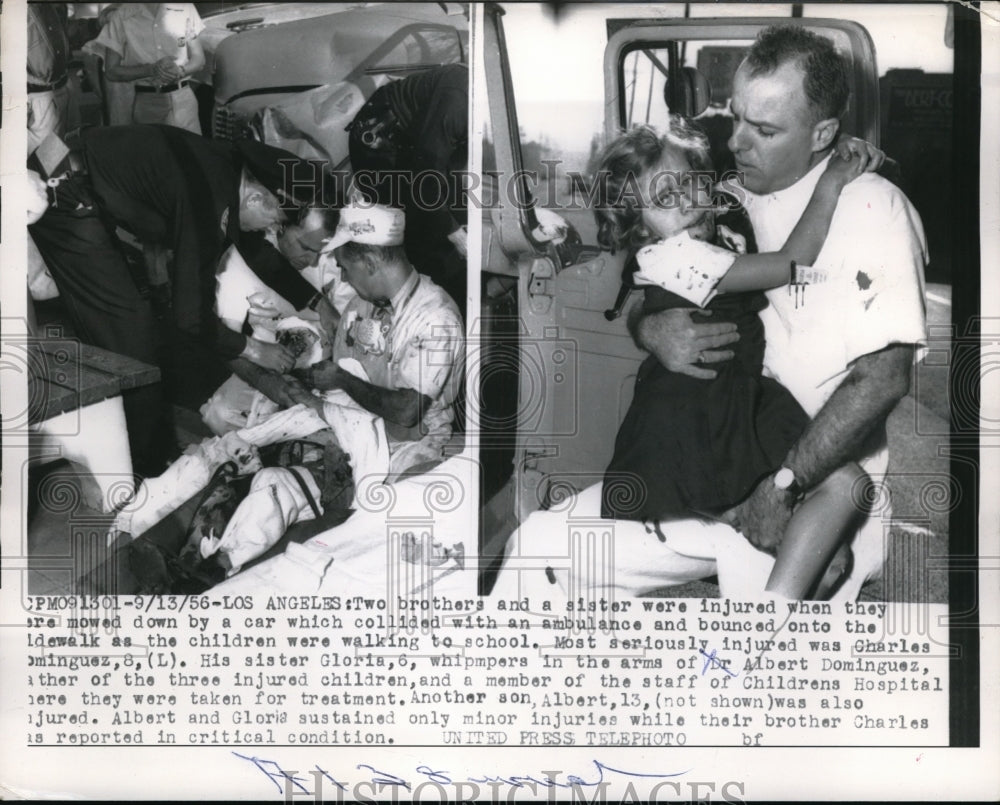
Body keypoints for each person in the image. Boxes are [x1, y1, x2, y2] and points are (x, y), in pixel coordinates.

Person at [492, 25, 927, 602]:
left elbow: (883, 379)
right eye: (736, 116)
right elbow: (654, 275)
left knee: (747, 661)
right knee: (536, 547)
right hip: (724, 445)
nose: (738, 143)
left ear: (823, 133)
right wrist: (651, 329)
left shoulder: (871, 207)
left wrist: (782, 487)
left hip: (807, 476)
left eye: (764, 129)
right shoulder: (733, 195)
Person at [595, 121, 873, 598]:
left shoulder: (715, 223)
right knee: (829, 509)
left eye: (689, 183)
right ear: (640, 226)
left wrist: (830, 156)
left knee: (833, 540)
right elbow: (791, 261)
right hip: (697, 410)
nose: (684, 200)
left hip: (740, 396)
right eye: (664, 200)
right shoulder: (675, 254)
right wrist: (833, 183)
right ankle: (732, 525)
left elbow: (762, 183)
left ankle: (774, 604)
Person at [28, 125, 328, 475]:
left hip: (72, 161)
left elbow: (253, 247)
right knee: (132, 339)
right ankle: (146, 468)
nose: (268, 233)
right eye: (273, 223)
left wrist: (319, 303)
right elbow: (189, 317)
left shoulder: (230, 172)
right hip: (62, 187)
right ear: (257, 199)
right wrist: (251, 348)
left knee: (127, 321)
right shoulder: (210, 199)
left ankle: (138, 441)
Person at [292, 202, 466, 481]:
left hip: (410, 445)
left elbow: (408, 411)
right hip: (355, 425)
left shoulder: (435, 318)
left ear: (371, 263)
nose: (345, 279)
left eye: (346, 268)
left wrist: (341, 379)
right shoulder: (359, 306)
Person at [348, 64, 468, 311]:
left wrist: (461, 221)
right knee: (419, 234)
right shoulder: (461, 99)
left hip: (414, 144)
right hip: (380, 141)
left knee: (450, 219)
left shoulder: (477, 103)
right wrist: (455, 233)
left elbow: (446, 167)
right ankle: (416, 314)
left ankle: (452, 301)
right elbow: (425, 173)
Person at [85, 3, 205, 134]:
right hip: (146, 103)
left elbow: (199, 58)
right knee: (151, 152)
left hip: (184, 101)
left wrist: (181, 71)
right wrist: (151, 70)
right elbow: (111, 71)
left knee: (189, 152)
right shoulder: (121, 15)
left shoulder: (185, 8)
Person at [27, 2, 71, 155]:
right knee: (43, 164)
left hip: (56, 92)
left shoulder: (49, 7)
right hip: (38, 96)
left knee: (53, 162)